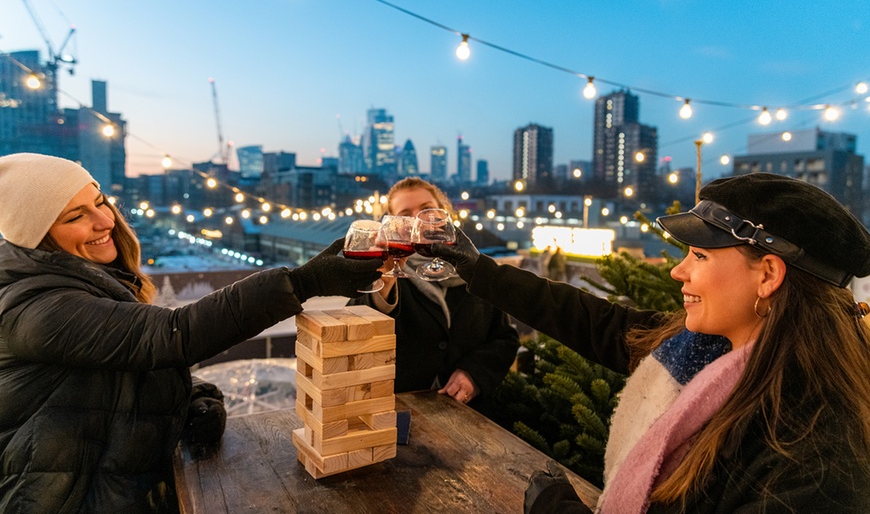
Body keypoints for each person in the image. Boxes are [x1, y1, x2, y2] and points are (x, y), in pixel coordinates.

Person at [433, 172, 870, 513]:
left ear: (769, 275)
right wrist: (477, 268)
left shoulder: (815, 448)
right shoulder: (704, 353)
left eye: (699, 256)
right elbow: (596, 322)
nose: (678, 272)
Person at [0, 153, 383, 513]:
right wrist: (303, 282)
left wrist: (190, 396)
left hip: (110, 484)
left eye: (100, 202)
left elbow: (114, 367)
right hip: (67, 499)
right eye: (75, 217)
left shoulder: (79, 279)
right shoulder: (35, 307)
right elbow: (172, 334)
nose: (105, 222)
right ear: (39, 237)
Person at [350, 177, 519, 405]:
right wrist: (385, 282)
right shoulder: (388, 271)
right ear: (392, 226)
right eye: (406, 215)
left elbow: (505, 338)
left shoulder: (475, 272)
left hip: (470, 417)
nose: (419, 219)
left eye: (427, 209)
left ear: (445, 214)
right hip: (401, 411)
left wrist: (473, 374)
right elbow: (354, 327)